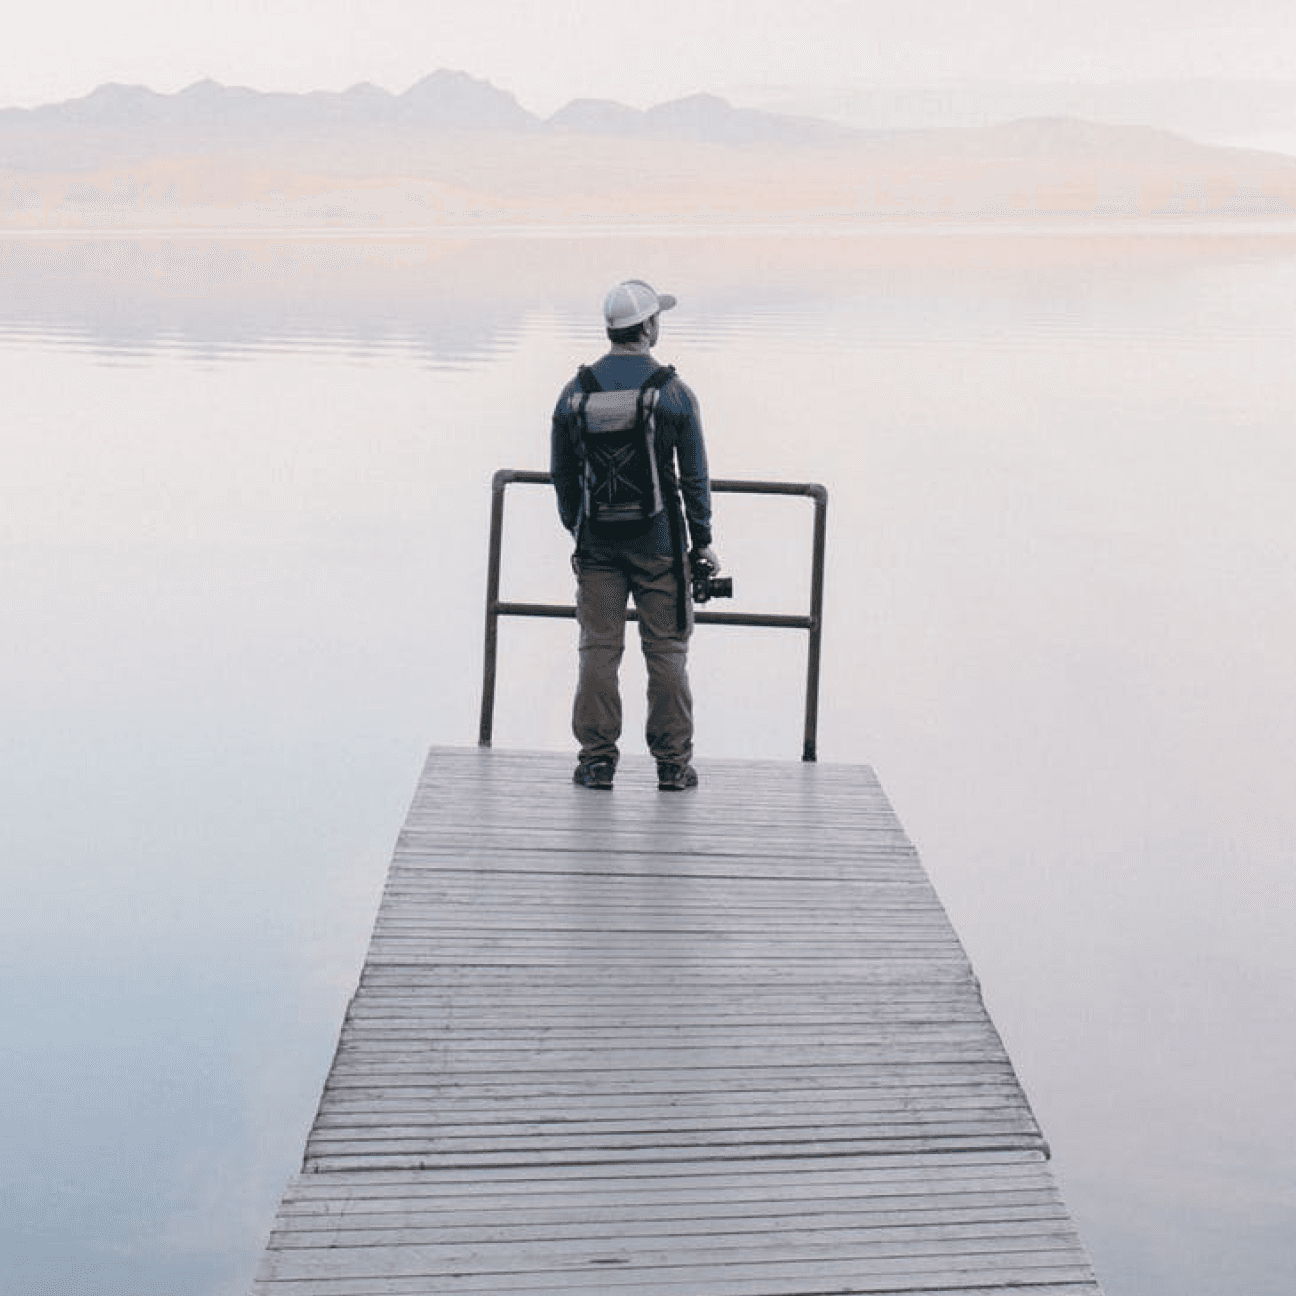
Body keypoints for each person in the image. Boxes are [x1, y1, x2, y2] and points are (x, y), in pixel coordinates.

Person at [551, 279, 719, 791]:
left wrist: (580, 527)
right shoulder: (672, 392)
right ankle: (672, 765)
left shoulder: (575, 392)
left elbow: (562, 475)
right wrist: (703, 539)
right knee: (666, 652)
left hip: (598, 545)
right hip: (660, 545)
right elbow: (694, 477)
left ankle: (597, 761)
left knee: (598, 649)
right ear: (648, 327)